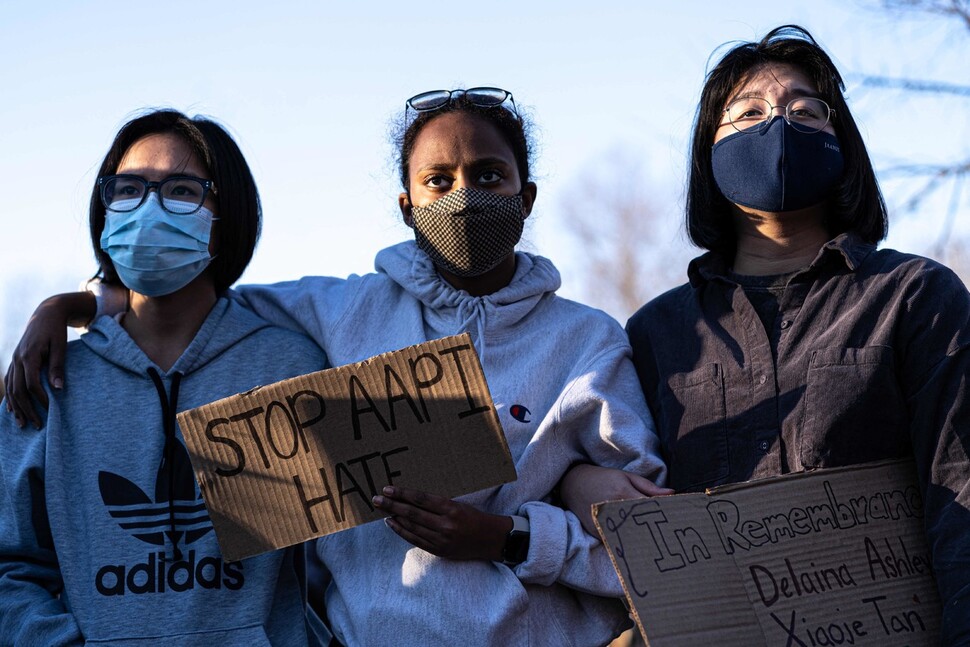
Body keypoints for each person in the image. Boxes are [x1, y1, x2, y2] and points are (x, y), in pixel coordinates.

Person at [5, 89, 669, 645]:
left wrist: (516, 534)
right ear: (406, 205)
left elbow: (652, 553)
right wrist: (75, 302)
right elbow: (191, 299)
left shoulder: (588, 341)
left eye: (489, 176)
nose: (464, 197)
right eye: (438, 181)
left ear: (525, 196)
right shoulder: (335, 315)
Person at [561, 25, 970, 644]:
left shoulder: (915, 297)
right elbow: (617, 481)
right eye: (749, 113)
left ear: (843, 145)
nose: (778, 125)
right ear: (709, 152)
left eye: (805, 112)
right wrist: (577, 484)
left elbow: (961, 490)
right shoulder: (655, 334)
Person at [0, 110, 328, 645]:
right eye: (128, 189)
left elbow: (343, 556)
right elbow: (10, 566)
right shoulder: (49, 376)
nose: (149, 207)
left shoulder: (290, 368)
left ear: (229, 214)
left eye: (181, 190)